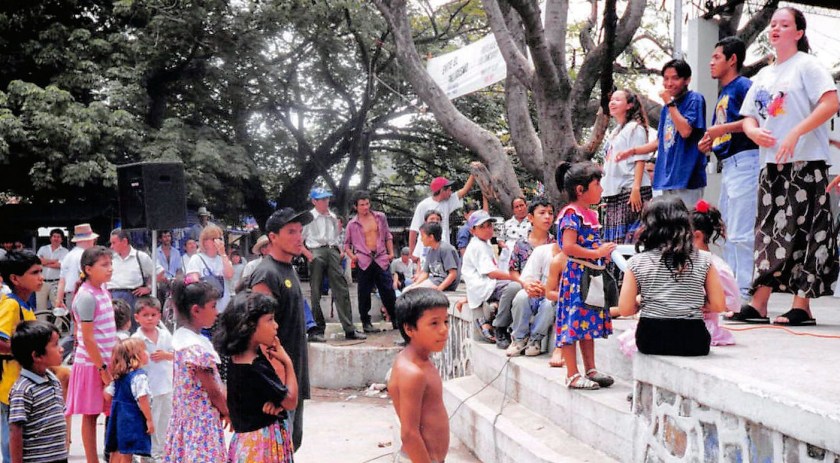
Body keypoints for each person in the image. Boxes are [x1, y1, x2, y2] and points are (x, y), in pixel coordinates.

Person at [735, 7, 839, 326]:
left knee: (806, 231)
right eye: (773, 24)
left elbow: (830, 102)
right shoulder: (764, 75)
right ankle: (759, 303)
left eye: (784, 24)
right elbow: (748, 116)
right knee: (769, 232)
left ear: (798, 33)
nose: (776, 29)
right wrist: (753, 131)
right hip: (772, 164)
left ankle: (801, 305)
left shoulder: (808, 66)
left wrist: (796, 130)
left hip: (806, 162)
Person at [618, 196, 725, 356]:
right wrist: (691, 300)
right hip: (694, 341)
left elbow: (625, 309)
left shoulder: (636, 262)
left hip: (650, 340)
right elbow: (718, 305)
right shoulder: (704, 259)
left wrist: (646, 302)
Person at [697, 36, 760, 300]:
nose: (711, 63)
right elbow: (722, 129)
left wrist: (722, 129)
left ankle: (743, 291)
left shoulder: (744, 85)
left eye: (717, 58)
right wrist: (712, 141)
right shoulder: (725, 91)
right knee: (730, 229)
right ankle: (733, 289)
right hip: (731, 163)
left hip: (747, 159)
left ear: (732, 60)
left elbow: (755, 119)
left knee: (741, 230)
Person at [248, 207, 314, 451]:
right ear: (273, 237)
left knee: (290, 446)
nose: (299, 237)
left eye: (300, 231)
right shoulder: (266, 274)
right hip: (278, 381)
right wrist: (275, 389)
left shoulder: (289, 268)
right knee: (276, 450)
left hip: (294, 374)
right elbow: (259, 336)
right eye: (291, 232)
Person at [552, 162, 616, 390]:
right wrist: (596, 252)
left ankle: (590, 369)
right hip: (576, 277)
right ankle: (572, 373)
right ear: (581, 190)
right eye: (597, 184)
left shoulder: (589, 213)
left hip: (589, 275)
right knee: (572, 323)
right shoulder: (571, 214)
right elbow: (568, 247)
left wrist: (602, 255)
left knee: (586, 323)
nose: (601, 189)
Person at [214, 292, 298, 462]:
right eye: (269, 320)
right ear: (250, 325)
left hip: (245, 445)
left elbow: (266, 396)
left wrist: (276, 404)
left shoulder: (235, 358)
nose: (276, 326)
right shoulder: (254, 366)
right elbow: (290, 401)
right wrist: (288, 363)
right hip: (262, 447)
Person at [620, 59, 707, 206]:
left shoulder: (694, 99)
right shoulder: (667, 109)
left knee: (688, 224)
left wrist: (669, 103)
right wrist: (633, 151)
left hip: (688, 177)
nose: (669, 83)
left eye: (675, 78)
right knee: (671, 226)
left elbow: (685, 131)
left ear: (687, 80)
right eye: (666, 79)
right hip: (668, 178)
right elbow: (659, 141)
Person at [164, 277, 226, 462]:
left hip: (185, 422)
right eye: (213, 306)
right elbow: (213, 391)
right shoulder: (195, 348)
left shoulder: (183, 340)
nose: (217, 312)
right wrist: (229, 413)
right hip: (201, 426)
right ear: (196, 310)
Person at [65, 246, 118, 463]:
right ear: (88, 269)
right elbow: (87, 339)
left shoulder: (103, 290)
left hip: (107, 362)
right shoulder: (86, 296)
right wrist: (102, 369)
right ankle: (91, 460)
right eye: (104, 265)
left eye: (110, 264)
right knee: (90, 414)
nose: (110, 269)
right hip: (92, 365)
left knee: (107, 411)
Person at [601, 89, 652, 307]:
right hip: (613, 193)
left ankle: (628, 293)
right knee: (614, 243)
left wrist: (635, 188)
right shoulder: (615, 132)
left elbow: (640, 159)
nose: (612, 103)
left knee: (628, 243)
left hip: (629, 191)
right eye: (611, 100)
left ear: (629, 105)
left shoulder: (635, 128)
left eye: (618, 100)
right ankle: (616, 294)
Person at [388, 288, 450, 463]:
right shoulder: (412, 373)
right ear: (409, 329)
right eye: (434, 323)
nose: (444, 330)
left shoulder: (423, 360)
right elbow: (409, 434)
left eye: (446, 321)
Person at [301, 188, 364, 341]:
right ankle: (317, 329)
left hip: (332, 251)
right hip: (316, 251)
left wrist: (339, 251)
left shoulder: (333, 216)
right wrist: (308, 254)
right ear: (314, 201)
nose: (326, 202)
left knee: (341, 288)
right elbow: (299, 239)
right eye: (322, 199)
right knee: (315, 291)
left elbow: (335, 237)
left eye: (327, 199)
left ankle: (349, 329)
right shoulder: (308, 218)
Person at [494, 196, 556, 350]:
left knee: (548, 303)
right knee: (515, 288)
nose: (547, 217)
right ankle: (502, 328)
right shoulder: (521, 243)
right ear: (531, 218)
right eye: (542, 213)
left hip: (547, 287)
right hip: (525, 283)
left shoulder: (555, 244)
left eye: (550, 213)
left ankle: (534, 340)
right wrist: (525, 283)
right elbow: (513, 271)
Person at [0, 251, 42, 463]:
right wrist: (25, 352)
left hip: (24, 388)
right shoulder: (11, 304)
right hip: (10, 388)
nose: (40, 277)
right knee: (13, 447)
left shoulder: (26, 305)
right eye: (34, 273)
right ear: (15, 278)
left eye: (41, 272)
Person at [9, 321, 67, 463]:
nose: (61, 349)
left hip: (58, 457)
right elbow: (15, 431)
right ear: (37, 356)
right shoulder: (23, 389)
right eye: (55, 345)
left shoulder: (53, 379)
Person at [344, 190, 398, 332]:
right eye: (362, 205)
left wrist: (391, 253)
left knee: (388, 290)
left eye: (367, 204)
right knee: (364, 292)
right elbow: (346, 244)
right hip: (364, 260)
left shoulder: (380, 217)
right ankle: (366, 323)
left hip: (381, 257)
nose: (365, 207)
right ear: (356, 206)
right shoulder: (352, 224)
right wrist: (353, 256)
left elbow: (388, 236)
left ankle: (395, 319)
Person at [461, 210, 515, 344]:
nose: (487, 230)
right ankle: (497, 324)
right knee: (513, 288)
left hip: (483, 286)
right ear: (473, 231)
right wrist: (516, 277)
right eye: (482, 227)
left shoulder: (484, 243)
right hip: (484, 285)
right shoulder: (478, 246)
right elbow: (491, 273)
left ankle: (493, 308)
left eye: (489, 226)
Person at [131, 296, 173, 463]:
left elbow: (176, 354)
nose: (149, 319)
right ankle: (147, 457)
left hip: (166, 387)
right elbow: (131, 363)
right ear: (137, 317)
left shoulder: (165, 335)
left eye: (153, 315)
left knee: (165, 424)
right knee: (150, 425)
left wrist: (166, 355)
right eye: (145, 315)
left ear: (159, 316)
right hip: (148, 391)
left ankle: (161, 455)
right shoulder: (136, 338)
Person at [104, 338, 154, 463]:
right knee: (127, 451)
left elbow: (108, 395)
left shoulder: (119, 377)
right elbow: (142, 398)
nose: (147, 353)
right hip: (132, 418)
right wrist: (149, 419)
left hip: (117, 418)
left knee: (116, 449)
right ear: (136, 356)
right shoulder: (139, 376)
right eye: (144, 351)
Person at [408, 169, 478, 256]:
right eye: (449, 189)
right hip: (426, 250)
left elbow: (464, 191)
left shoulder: (447, 202)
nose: (451, 192)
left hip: (443, 249)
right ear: (442, 190)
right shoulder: (423, 205)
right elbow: (413, 230)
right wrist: (412, 253)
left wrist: (474, 173)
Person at [108, 229, 156, 328]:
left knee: (133, 327)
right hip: (113, 297)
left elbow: (158, 273)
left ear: (124, 241)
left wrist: (149, 287)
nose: (111, 246)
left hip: (133, 297)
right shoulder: (110, 258)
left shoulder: (140, 256)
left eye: (114, 243)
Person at [185, 224, 234, 312]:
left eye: (219, 238)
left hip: (223, 307)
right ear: (204, 242)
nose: (217, 242)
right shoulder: (196, 259)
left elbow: (229, 274)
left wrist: (223, 253)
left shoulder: (223, 259)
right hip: (205, 309)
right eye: (213, 239)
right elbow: (193, 282)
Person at [404, 222, 460, 293]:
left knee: (410, 293)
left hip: (443, 284)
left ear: (431, 237)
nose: (421, 239)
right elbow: (425, 273)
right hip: (433, 281)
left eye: (422, 236)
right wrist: (415, 285)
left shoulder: (445, 249)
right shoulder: (430, 251)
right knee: (407, 290)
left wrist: (439, 289)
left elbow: (453, 274)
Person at [55, 223, 99, 312]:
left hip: (69, 296)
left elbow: (62, 280)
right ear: (88, 240)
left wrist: (58, 300)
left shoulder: (68, 255)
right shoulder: (86, 255)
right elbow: (88, 278)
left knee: (74, 322)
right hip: (85, 294)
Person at [35, 229, 68, 316]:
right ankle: (42, 328)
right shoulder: (43, 249)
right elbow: (38, 262)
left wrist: (45, 262)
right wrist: (53, 261)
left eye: (58, 237)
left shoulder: (65, 251)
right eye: (54, 236)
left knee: (57, 307)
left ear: (62, 239)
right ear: (50, 238)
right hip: (42, 282)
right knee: (40, 307)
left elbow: (60, 265)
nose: (56, 239)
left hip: (56, 283)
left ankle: (58, 328)